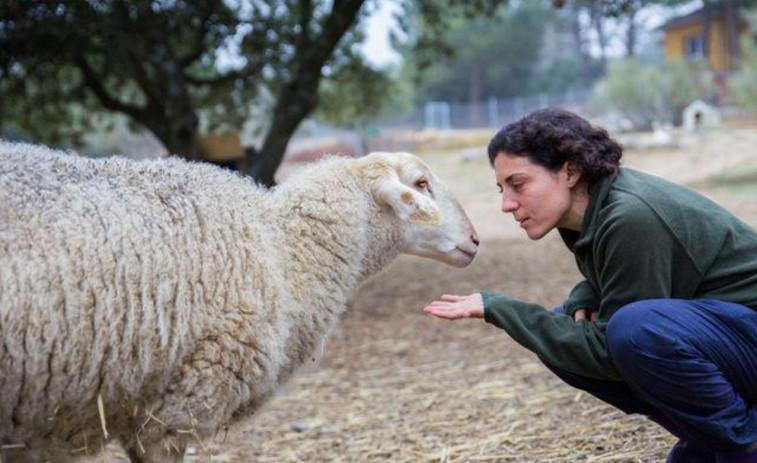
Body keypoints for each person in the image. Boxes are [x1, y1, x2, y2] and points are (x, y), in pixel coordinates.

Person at [423, 107, 757, 463]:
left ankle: (744, 443)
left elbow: (616, 348)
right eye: (501, 189)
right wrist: (587, 292)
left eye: (518, 185)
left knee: (632, 331)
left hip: (744, 334)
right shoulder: (590, 212)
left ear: (569, 171)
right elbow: (630, 283)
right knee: (562, 337)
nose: (507, 204)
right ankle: (709, 438)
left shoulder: (630, 215)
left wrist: (501, 309)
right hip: (734, 339)